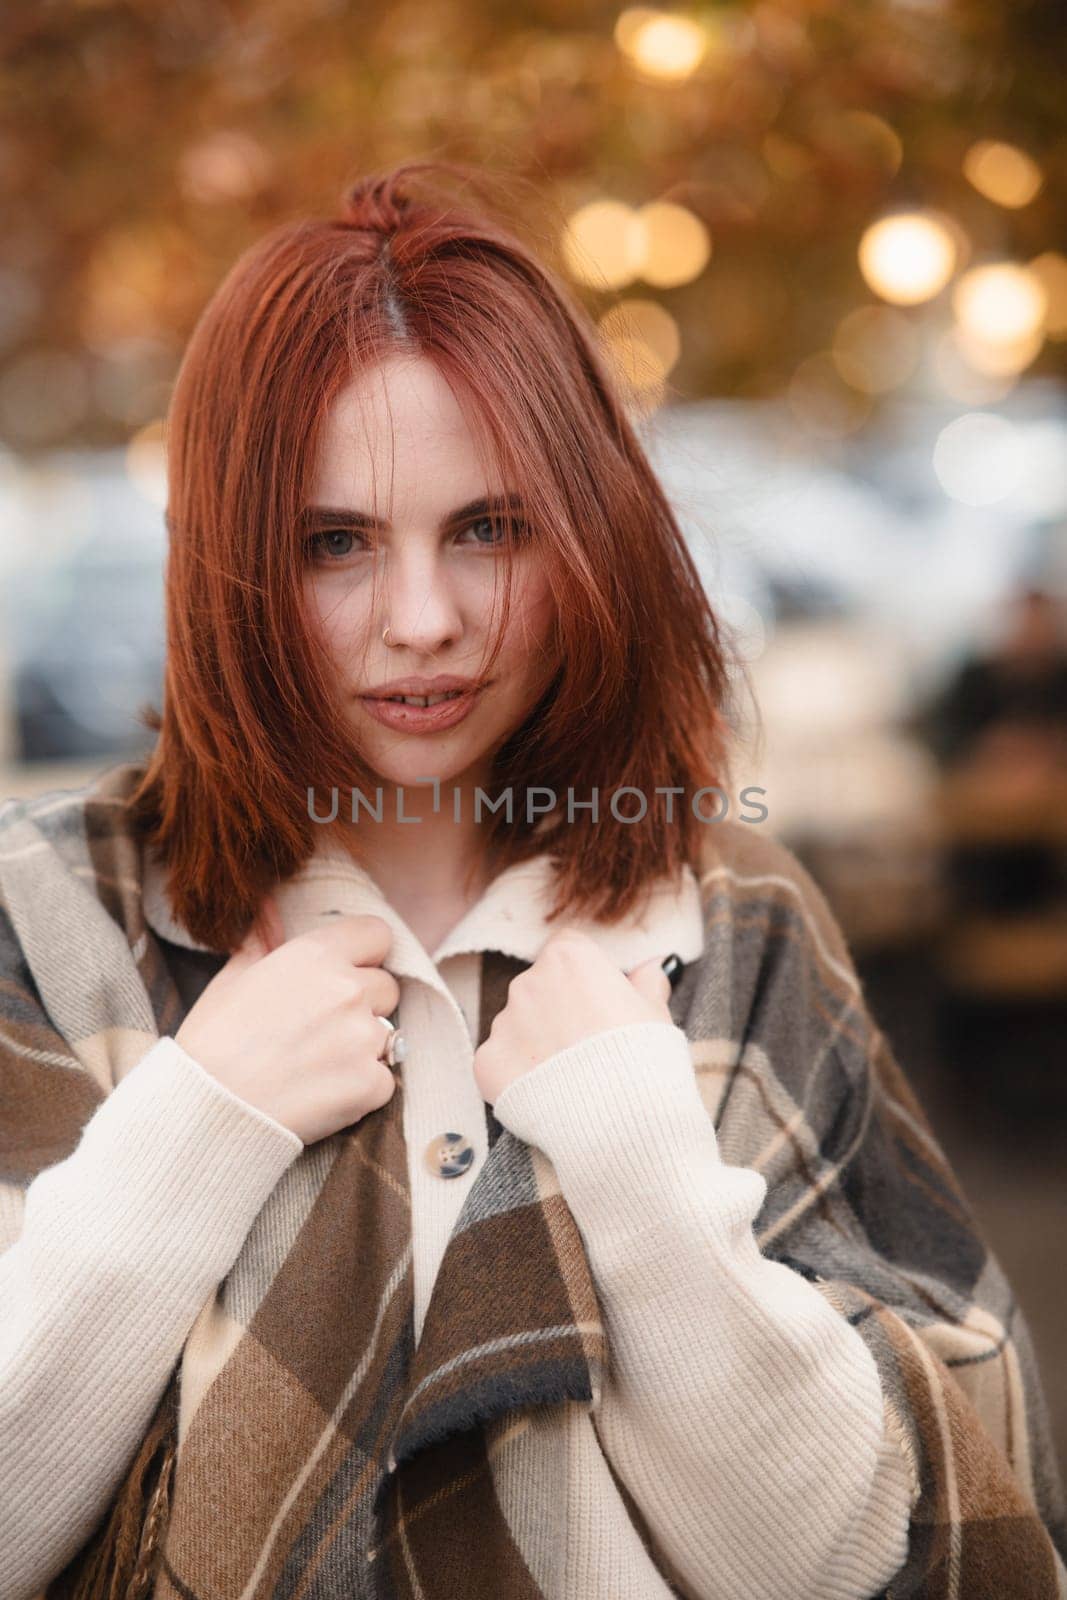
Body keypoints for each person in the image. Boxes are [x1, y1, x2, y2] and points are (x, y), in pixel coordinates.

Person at [1, 160, 1064, 1600]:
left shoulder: (732, 919)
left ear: (586, 535)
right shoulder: (58, 919)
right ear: (231, 565)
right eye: (335, 545)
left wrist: (638, 1162)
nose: (422, 623)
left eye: (488, 530)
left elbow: (878, 1556)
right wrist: (192, 1132)